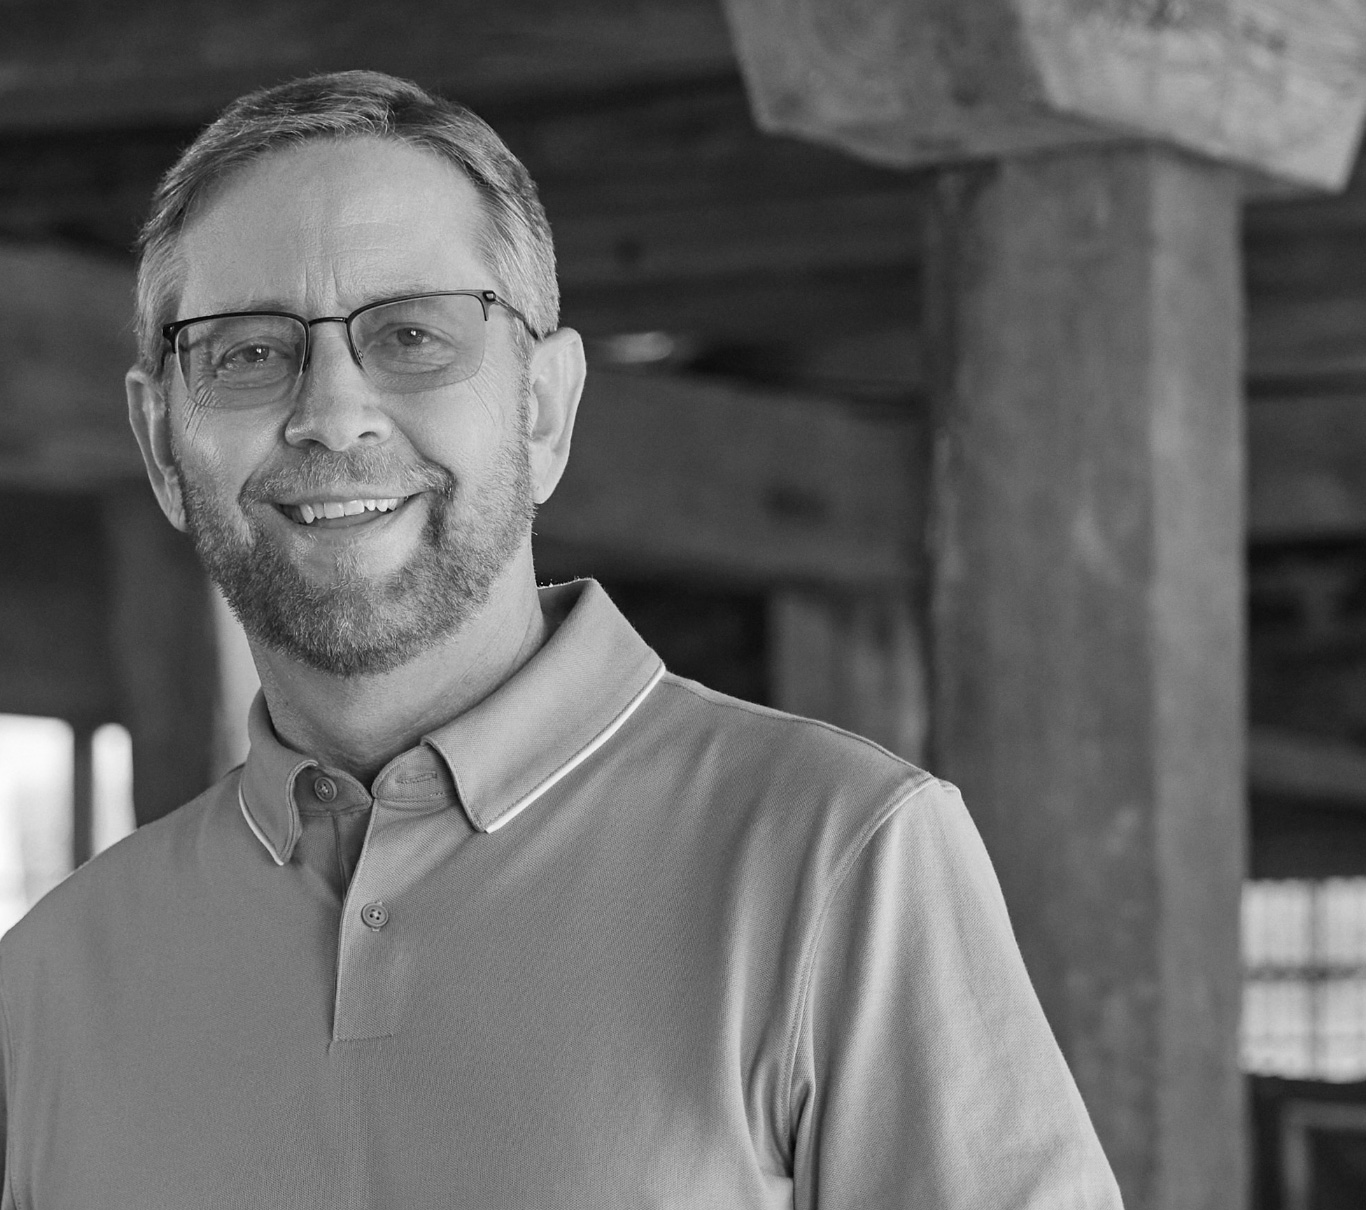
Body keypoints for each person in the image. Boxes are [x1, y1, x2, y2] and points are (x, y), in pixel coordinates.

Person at [0, 71, 1121, 1208]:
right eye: (247, 352)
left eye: (412, 335)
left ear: (541, 409)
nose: (333, 413)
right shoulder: (47, 980)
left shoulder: (839, 860)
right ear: (158, 441)